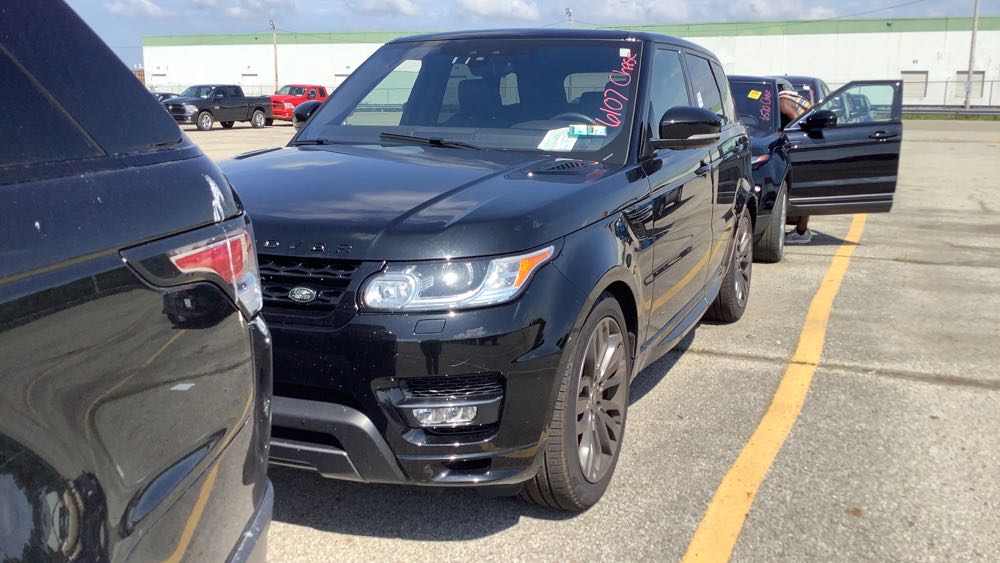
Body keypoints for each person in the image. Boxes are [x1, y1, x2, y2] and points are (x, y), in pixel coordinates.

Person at [778, 89, 814, 243]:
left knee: (801, 188)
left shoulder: (782, 102)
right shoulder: (793, 98)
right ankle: (801, 230)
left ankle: (801, 231)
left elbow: (798, 124)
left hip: (803, 145)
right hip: (811, 143)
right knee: (804, 187)